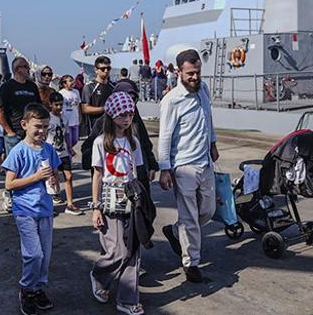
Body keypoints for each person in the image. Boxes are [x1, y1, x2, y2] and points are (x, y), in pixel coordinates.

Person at [158, 49, 218, 283]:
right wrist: (165, 168)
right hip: (183, 167)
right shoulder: (171, 100)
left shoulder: (203, 89)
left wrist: (213, 142)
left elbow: (208, 117)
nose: (195, 77)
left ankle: (176, 231)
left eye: (198, 72)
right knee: (190, 217)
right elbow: (165, 136)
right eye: (190, 73)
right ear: (179, 72)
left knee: (208, 211)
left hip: (205, 162)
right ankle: (191, 262)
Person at [89, 92, 146, 315]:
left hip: (132, 198)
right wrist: (96, 207)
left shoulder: (134, 141)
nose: (127, 118)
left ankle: (128, 299)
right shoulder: (100, 142)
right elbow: (97, 175)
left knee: (132, 251)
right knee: (116, 251)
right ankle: (99, 275)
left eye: (130, 114)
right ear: (112, 115)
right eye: (122, 114)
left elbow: (136, 172)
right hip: (109, 199)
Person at [2, 103, 59, 313]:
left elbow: (55, 175)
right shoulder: (18, 151)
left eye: (46, 127)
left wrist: (54, 182)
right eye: (38, 127)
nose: (42, 131)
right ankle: (26, 288)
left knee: (45, 254)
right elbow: (9, 184)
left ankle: (38, 288)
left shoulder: (49, 149)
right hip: (25, 210)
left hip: (45, 209)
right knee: (34, 254)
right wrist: (35, 177)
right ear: (24, 124)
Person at [0, 57, 42, 212]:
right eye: (25, 67)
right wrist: (9, 131)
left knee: (33, 166)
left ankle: (32, 198)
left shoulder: (32, 86)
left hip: (32, 134)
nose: (28, 69)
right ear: (17, 69)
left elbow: (38, 108)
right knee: (14, 168)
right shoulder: (7, 87)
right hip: (14, 133)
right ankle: (9, 195)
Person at [47, 92, 82, 215]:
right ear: (50, 104)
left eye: (60, 105)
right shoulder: (48, 119)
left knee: (69, 176)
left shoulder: (64, 118)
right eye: (56, 104)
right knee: (52, 179)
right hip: (51, 153)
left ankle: (70, 203)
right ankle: (50, 205)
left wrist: (70, 148)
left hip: (63, 152)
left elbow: (66, 134)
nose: (58, 107)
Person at [81, 56, 114, 137]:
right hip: (95, 129)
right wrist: (104, 109)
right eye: (103, 69)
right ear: (96, 70)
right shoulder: (89, 87)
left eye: (108, 68)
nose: (106, 71)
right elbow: (85, 109)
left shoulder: (113, 86)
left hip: (112, 128)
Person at [58, 75, 81, 156]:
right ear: (64, 84)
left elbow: (78, 106)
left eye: (72, 80)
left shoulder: (76, 92)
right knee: (68, 141)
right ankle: (69, 159)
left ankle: (68, 150)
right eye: (70, 81)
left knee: (75, 140)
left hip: (75, 120)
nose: (72, 82)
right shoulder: (61, 93)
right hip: (66, 122)